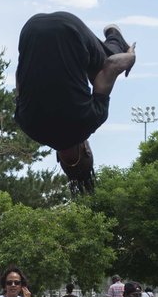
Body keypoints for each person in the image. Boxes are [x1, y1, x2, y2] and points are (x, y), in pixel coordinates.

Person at [14, 12, 136, 192]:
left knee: (101, 68)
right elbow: (19, 80)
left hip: (69, 28)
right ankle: (110, 39)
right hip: (31, 29)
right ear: (58, 157)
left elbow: (111, 65)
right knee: (91, 69)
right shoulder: (27, 126)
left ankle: (115, 38)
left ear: (86, 151)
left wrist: (131, 58)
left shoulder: (91, 120)